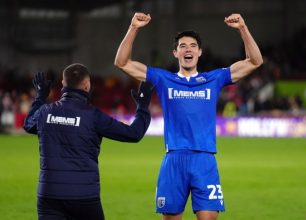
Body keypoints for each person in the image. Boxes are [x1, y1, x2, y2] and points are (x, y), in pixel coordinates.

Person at [115, 12, 263, 220]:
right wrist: (133, 28)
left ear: (200, 52)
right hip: (174, 158)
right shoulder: (163, 79)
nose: (188, 49)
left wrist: (243, 28)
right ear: (175, 53)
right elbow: (122, 63)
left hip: (204, 159)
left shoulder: (214, 78)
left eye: (193, 45)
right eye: (182, 46)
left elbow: (255, 61)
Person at [23, 63, 154, 220]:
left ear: (63, 84)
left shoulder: (45, 112)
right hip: (83, 197)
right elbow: (134, 134)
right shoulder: (93, 116)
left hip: (49, 195)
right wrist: (143, 106)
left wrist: (40, 97)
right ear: (87, 85)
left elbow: (28, 124)